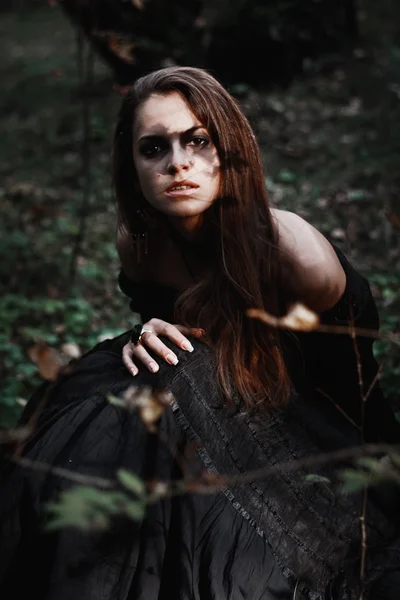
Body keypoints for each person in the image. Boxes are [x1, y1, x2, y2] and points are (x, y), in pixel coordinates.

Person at [1, 66, 400, 600]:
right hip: (202, 405)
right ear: (133, 167)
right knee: (112, 396)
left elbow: (343, 388)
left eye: (198, 141)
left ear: (230, 150)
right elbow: (178, 331)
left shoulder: (291, 252)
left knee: (181, 379)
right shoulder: (141, 244)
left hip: (307, 430)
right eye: (154, 149)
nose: (178, 163)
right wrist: (150, 328)